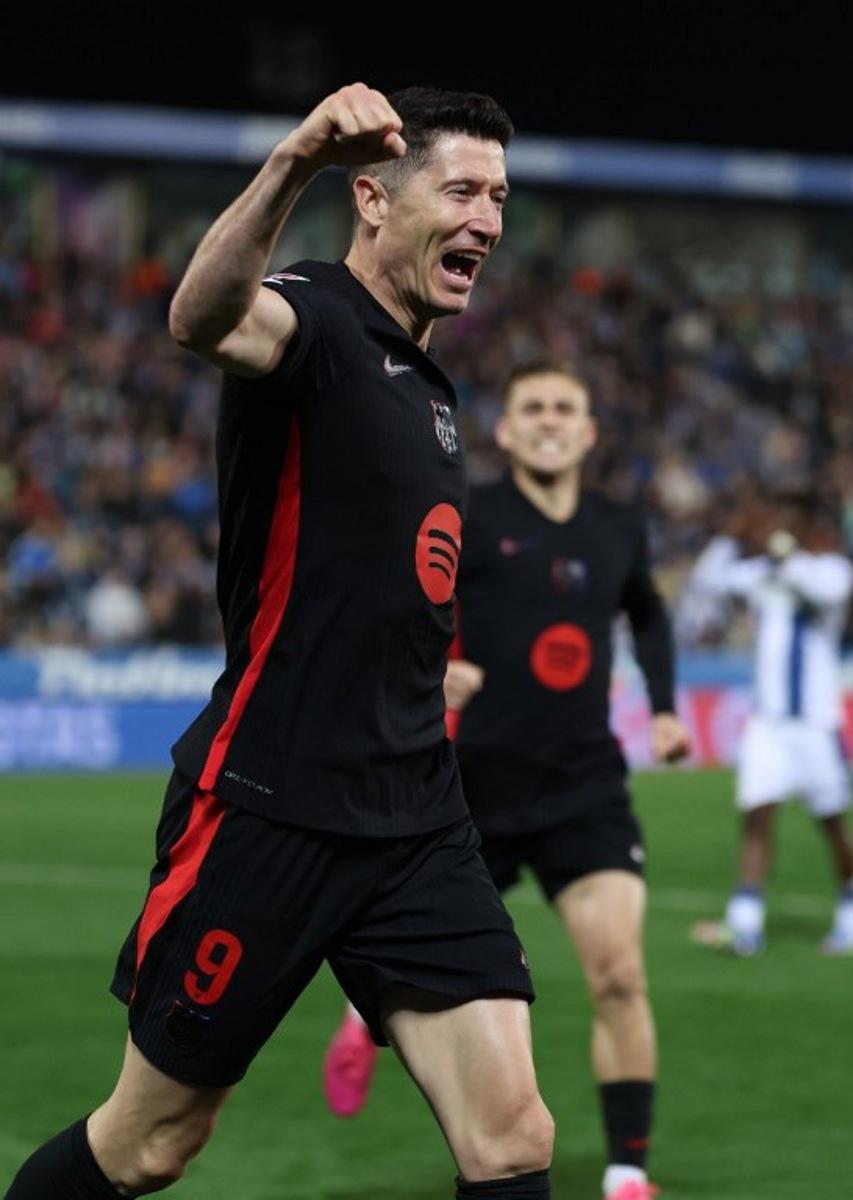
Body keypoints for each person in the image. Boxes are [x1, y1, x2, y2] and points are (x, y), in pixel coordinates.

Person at [5, 84, 557, 1200]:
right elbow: (201, 320)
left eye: (498, 197)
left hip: (415, 813)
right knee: (150, 1144)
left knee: (511, 1138)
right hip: (272, 803)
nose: (487, 220)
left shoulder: (428, 385)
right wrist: (293, 160)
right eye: (460, 190)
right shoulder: (313, 315)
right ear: (373, 200)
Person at [324, 361, 692, 1200]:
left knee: (619, 975)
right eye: (533, 407)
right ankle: (357, 1016)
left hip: (585, 787)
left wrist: (666, 709)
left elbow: (648, 614)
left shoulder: (617, 524)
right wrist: (432, 669)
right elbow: (395, 600)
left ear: (588, 431)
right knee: (414, 960)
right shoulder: (469, 512)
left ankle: (627, 1173)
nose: (549, 419)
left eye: (565, 407)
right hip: (473, 790)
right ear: (506, 428)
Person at [689, 499, 853, 957]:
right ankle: (745, 923)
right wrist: (730, 534)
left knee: (832, 823)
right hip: (769, 725)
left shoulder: (831, 570)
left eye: (785, 525)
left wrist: (783, 553)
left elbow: (823, 589)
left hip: (816, 725)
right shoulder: (765, 574)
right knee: (757, 816)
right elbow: (708, 580)